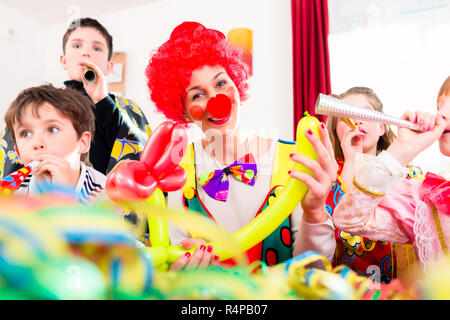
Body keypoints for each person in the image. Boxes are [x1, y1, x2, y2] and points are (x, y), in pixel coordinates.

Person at [145, 21, 337, 270]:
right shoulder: (178, 172)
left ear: (237, 83)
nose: (216, 101)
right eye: (198, 95)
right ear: (183, 111)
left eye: (221, 83)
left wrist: (314, 212)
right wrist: (181, 268)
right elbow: (173, 264)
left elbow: (316, 269)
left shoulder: (292, 157)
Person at [1, 17, 151, 179]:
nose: (85, 52)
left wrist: (102, 100)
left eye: (97, 48)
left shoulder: (124, 108)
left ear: (109, 67)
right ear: (63, 61)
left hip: (97, 198)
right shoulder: (41, 104)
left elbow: (135, 154)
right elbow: (15, 158)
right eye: (77, 45)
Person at [332, 76, 450, 274]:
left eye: (364, 113)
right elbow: (347, 220)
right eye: (439, 107)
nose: (441, 115)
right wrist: (402, 149)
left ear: (382, 127)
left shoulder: (413, 178)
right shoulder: (424, 200)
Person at [325, 87, 402, 283]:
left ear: (382, 127)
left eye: (365, 112)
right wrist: (351, 158)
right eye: (346, 115)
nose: (356, 119)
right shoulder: (327, 176)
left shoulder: (406, 176)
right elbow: (334, 226)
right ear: (336, 130)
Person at [4, 84, 106, 204]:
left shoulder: (104, 193)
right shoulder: (14, 193)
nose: (37, 143)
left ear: (82, 142)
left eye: (52, 129)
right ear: (18, 154)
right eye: (26, 133)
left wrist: (63, 195)